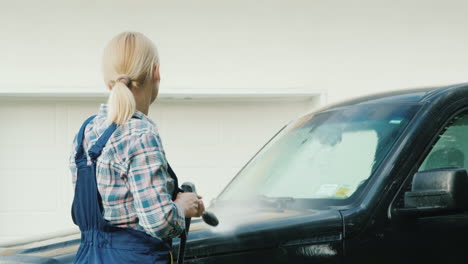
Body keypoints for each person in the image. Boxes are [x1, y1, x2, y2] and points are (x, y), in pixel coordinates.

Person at [68, 31, 204, 263]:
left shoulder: (86, 132)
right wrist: (182, 207)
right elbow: (159, 222)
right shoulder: (140, 134)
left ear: (107, 80)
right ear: (156, 72)